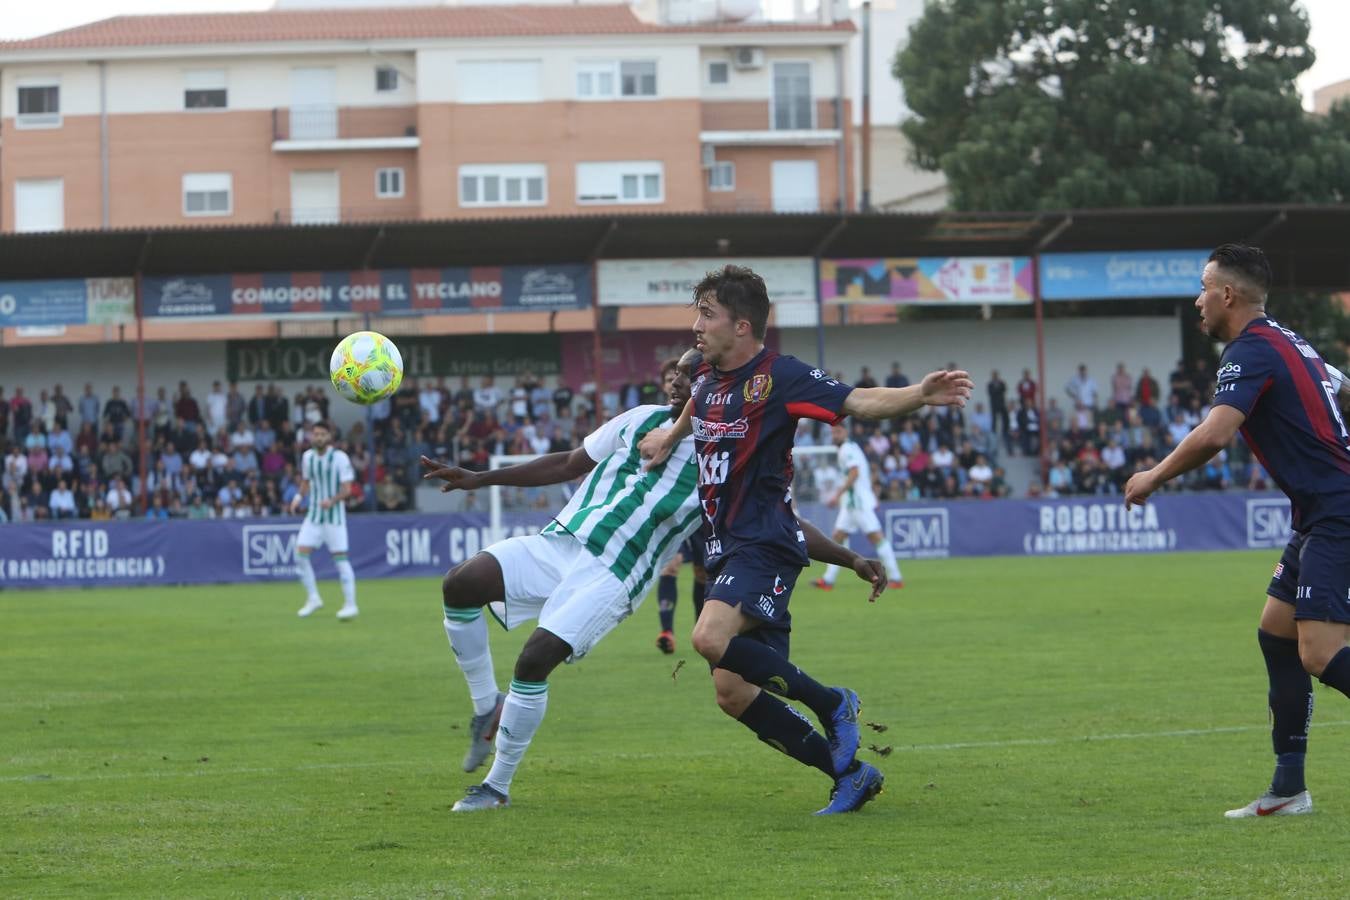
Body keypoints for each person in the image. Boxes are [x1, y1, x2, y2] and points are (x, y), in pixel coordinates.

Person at [420, 348, 888, 813]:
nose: (676, 381)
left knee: (535, 658)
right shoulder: (639, 419)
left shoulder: (723, 452)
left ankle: (496, 786)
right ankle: (487, 705)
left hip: (614, 574)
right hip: (558, 543)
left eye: (689, 374)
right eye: (671, 374)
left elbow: (784, 521)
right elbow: (568, 463)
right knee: (461, 583)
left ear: (711, 386)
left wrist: (849, 558)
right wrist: (480, 478)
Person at [639, 264, 972, 815]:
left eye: (707, 314)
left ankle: (832, 701)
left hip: (763, 544)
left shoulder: (781, 376)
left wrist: (918, 394)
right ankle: (852, 775)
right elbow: (695, 405)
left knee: (706, 637)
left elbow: (856, 400)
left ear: (742, 326)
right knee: (732, 691)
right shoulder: (705, 378)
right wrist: (669, 437)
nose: (696, 326)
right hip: (730, 550)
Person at [1124, 244, 1350, 819]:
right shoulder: (1287, 339)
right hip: (1318, 512)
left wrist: (1152, 476)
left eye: (1203, 287)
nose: (1197, 300)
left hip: (1337, 512)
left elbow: (1215, 434)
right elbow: (1340, 386)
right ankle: (1288, 789)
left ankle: (1289, 790)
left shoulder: (1249, 350)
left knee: (1321, 654)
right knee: (1277, 634)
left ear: (1228, 294)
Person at [813, 421, 904, 591]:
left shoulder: (847, 449)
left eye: (838, 432)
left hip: (857, 503)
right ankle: (828, 580)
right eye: (833, 433)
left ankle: (896, 577)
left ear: (845, 432)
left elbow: (855, 473)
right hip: (851, 503)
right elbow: (863, 472)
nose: (835, 436)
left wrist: (837, 495)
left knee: (876, 538)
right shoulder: (852, 447)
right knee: (838, 537)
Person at [289, 422, 359, 621]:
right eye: (316, 434)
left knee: (341, 559)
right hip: (314, 516)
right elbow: (306, 481)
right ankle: (313, 598)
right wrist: (297, 499)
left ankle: (351, 604)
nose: (318, 437)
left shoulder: (339, 458)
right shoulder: (307, 457)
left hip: (334, 517)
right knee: (300, 555)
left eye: (322, 434)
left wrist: (333, 500)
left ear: (329, 436)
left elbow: (347, 489)